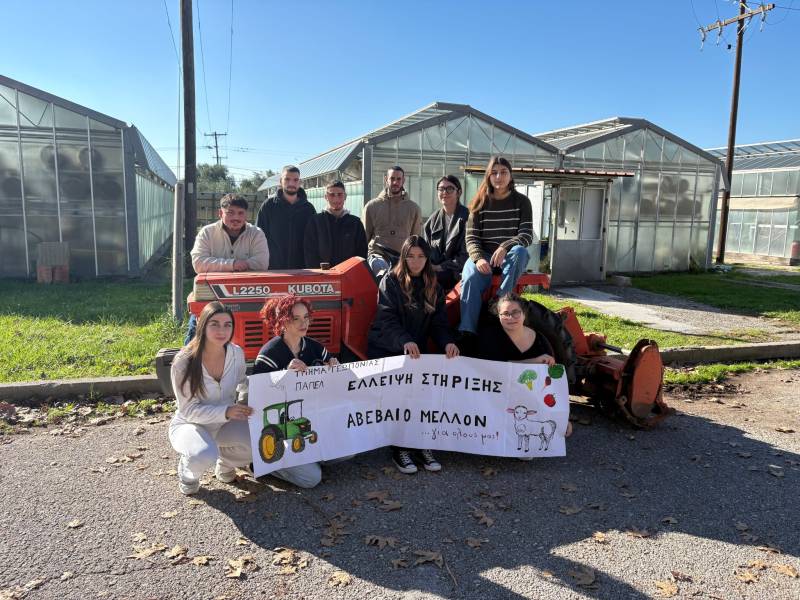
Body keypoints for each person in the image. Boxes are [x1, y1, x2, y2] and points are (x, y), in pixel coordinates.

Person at [367, 236, 460, 475]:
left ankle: (422, 445)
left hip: (414, 351)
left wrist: (448, 342)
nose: (416, 261)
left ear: (427, 258)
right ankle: (400, 450)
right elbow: (385, 320)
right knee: (400, 401)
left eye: (421, 256)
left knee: (421, 399)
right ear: (404, 257)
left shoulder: (433, 285)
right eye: (411, 256)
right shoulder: (391, 281)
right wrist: (404, 340)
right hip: (388, 347)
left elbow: (438, 324)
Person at [251, 295, 340, 488]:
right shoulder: (269, 354)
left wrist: (335, 367)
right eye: (295, 318)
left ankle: (307, 456)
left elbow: (333, 380)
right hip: (279, 426)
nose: (303, 323)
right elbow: (257, 396)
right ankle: (260, 462)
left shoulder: (315, 347)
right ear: (281, 321)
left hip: (311, 418)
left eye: (306, 317)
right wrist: (284, 374)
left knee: (347, 451)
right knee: (311, 479)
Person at [169, 301, 254, 495]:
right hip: (190, 425)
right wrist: (226, 411)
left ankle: (224, 465)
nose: (221, 330)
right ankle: (188, 472)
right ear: (202, 325)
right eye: (214, 324)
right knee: (203, 454)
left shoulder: (236, 353)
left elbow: (243, 382)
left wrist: (274, 383)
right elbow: (188, 410)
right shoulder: (183, 361)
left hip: (225, 423)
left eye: (227, 324)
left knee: (257, 442)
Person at [477, 292, 573, 443]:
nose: (511, 317)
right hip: (498, 398)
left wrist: (562, 418)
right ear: (499, 316)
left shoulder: (540, 340)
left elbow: (551, 385)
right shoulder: (489, 337)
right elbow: (495, 369)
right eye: (505, 314)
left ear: (523, 314)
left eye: (515, 313)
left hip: (527, 400)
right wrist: (533, 361)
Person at [459, 156, 534, 339]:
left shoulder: (522, 202)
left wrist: (505, 246)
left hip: (509, 255)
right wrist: (478, 258)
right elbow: (471, 237)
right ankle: (467, 331)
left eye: (503, 172)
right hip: (484, 254)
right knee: (469, 278)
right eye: (494, 173)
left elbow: (526, 235)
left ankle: (499, 301)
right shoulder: (480, 202)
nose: (498, 177)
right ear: (488, 177)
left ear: (510, 176)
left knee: (520, 252)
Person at [186, 193, 269, 343]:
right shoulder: (207, 232)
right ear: (220, 213)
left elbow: (262, 262)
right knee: (196, 331)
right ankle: (191, 362)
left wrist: (216, 265)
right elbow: (198, 262)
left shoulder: (256, 234)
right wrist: (233, 264)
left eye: (240, 213)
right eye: (230, 212)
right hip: (212, 297)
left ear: (246, 215)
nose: (236, 218)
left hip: (247, 297)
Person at [362, 166, 421, 276]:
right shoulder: (372, 206)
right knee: (382, 272)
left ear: (403, 180)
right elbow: (364, 237)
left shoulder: (413, 208)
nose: (395, 182)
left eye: (399, 179)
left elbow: (415, 239)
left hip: (402, 258)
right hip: (378, 256)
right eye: (392, 178)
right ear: (386, 179)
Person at [256, 165, 316, 269]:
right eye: (287, 179)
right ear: (280, 181)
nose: (291, 183)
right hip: (273, 268)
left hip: (302, 270)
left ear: (300, 182)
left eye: (295, 180)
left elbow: (314, 239)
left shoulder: (308, 209)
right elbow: (258, 236)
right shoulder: (268, 206)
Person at [304, 180, 368, 268]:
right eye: (332, 195)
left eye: (340, 194)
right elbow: (309, 252)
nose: (336, 199)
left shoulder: (355, 223)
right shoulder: (315, 222)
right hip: (323, 276)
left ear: (345, 196)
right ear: (326, 197)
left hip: (348, 276)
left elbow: (361, 253)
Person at [422, 175, 469, 291]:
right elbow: (427, 250)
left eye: (450, 189)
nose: (444, 192)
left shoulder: (468, 218)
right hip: (436, 270)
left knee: (429, 280)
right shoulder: (432, 221)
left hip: (458, 271)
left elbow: (466, 255)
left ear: (459, 192)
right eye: (441, 189)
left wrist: (441, 267)